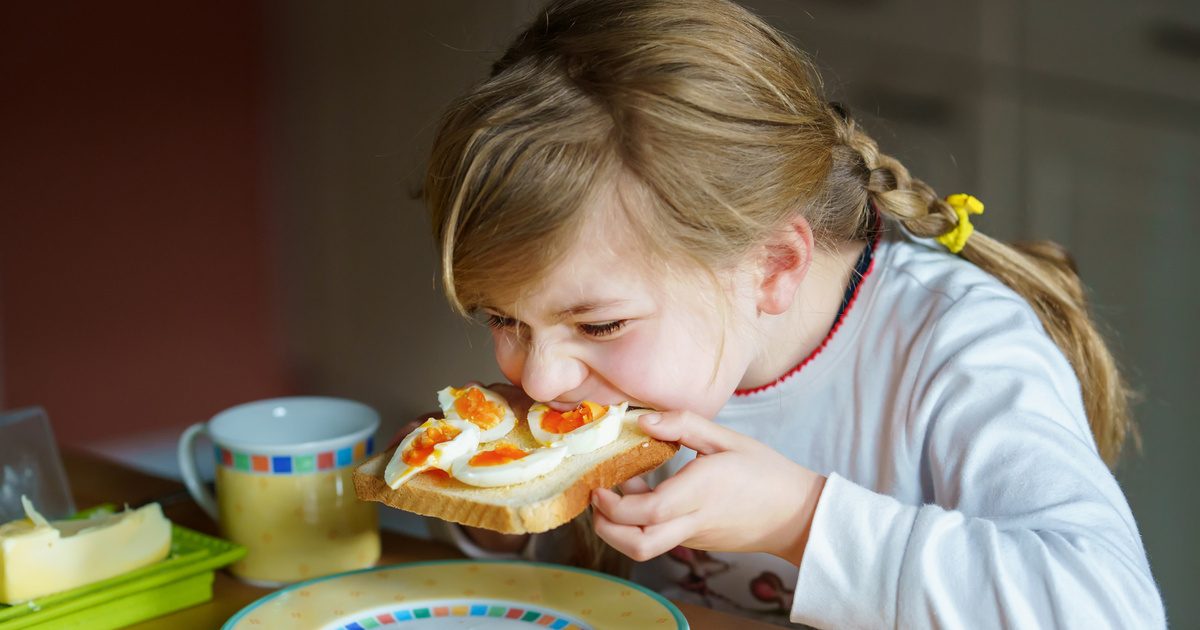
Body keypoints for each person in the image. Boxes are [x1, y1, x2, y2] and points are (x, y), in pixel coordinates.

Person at [405, 0, 1166, 626]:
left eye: (598, 325)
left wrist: (802, 521)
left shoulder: (952, 345)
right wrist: (490, 508)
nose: (537, 379)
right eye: (501, 319)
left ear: (772, 268)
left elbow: (1110, 609)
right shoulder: (631, 355)